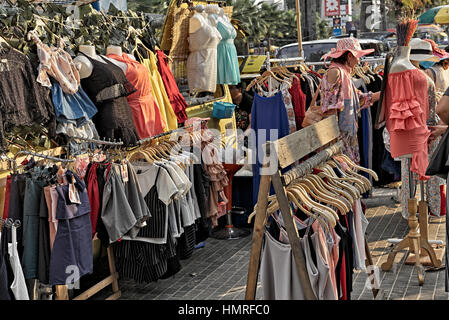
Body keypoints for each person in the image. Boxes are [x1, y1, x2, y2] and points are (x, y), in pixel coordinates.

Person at [320, 38, 381, 164]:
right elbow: (329, 109)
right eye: (358, 56)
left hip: (346, 138)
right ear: (349, 56)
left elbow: (359, 100)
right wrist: (336, 145)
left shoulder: (344, 74)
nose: (359, 60)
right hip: (339, 141)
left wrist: (385, 93)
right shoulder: (335, 72)